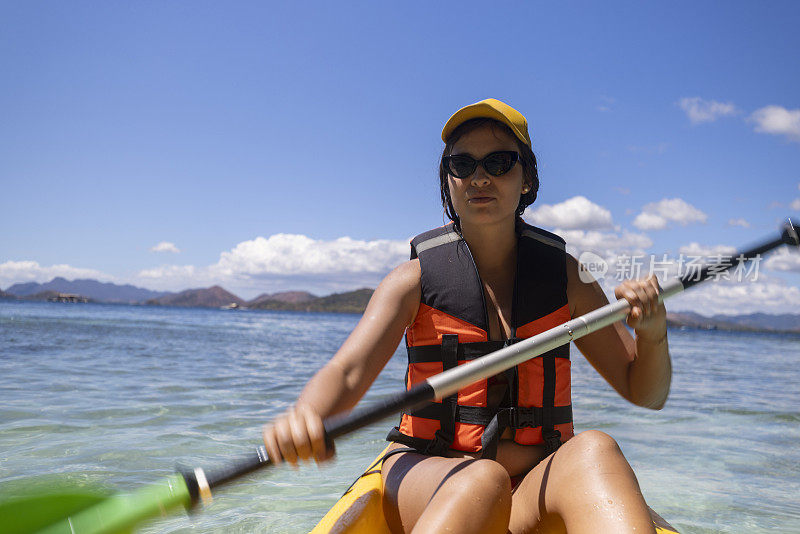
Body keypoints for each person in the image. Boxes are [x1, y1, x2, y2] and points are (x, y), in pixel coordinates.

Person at [262, 98, 671, 534]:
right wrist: (307, 414)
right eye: (463, 164)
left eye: (499, 162)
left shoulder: (570, 279)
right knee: (482, 478)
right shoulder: (411, 281)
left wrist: (652, 332)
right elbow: (346, 372)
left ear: (527, 178)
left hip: (532, 487)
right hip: (427, 476)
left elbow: (644, 391)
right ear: (448, 181)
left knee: (596, 449)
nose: (480, 177)